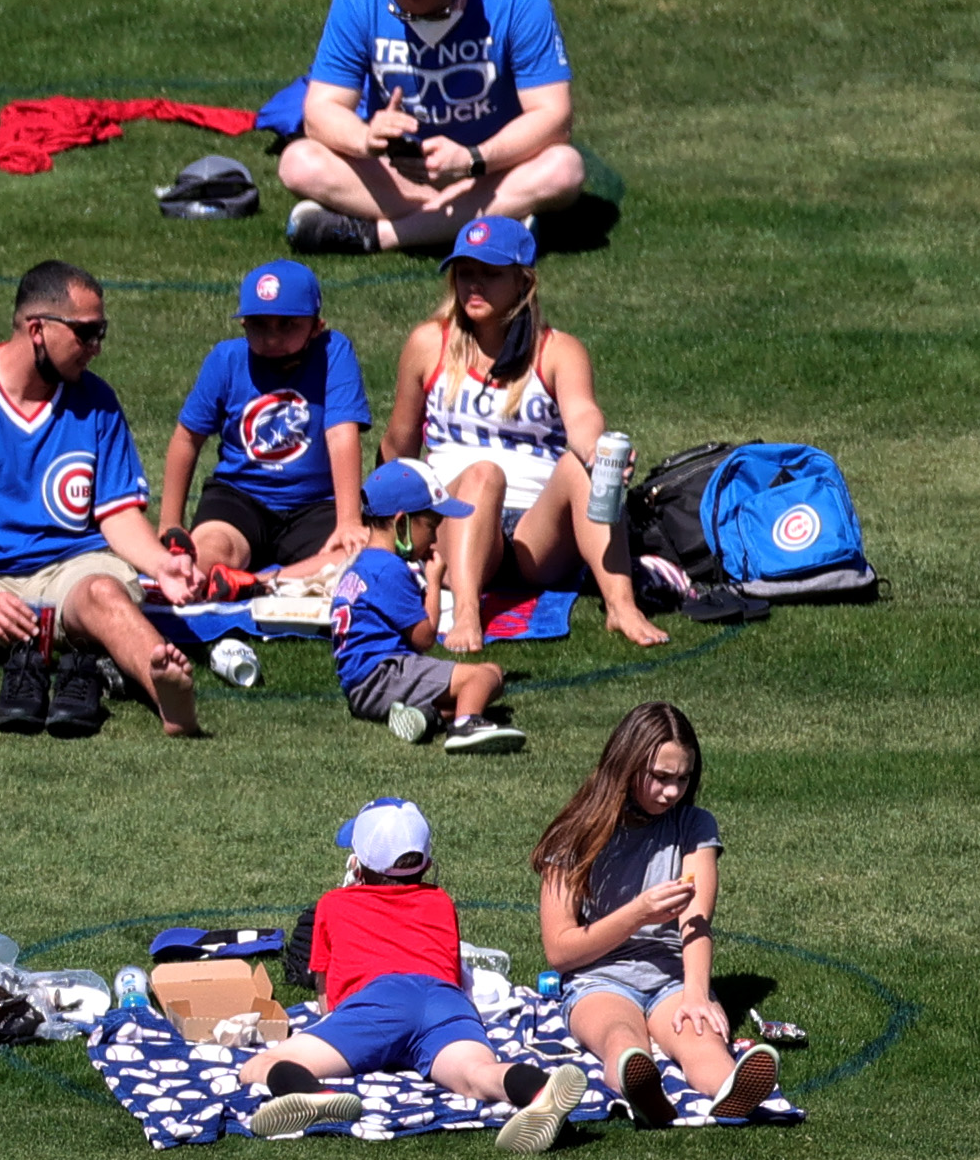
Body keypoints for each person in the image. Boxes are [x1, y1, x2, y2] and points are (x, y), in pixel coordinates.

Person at [0, 261, 212, 741]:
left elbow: (117, 517)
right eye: (86, 334)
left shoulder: (98, 401)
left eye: (101, 333)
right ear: (37, 330)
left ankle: (168, 695)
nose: (95, 348)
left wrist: (161, 564)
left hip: (71, 578)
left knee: (105, 594)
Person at [383, 215, 667, 647]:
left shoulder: (557, 350)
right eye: (465, 274)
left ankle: (621, 605)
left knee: (582, 467)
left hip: (537, 535)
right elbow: (397, 443)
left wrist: (597, 451)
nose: (474, 286)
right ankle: (466, 614)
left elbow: (584, 416)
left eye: (490, 274)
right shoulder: (429, 343)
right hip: (456, 518)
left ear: (523, 282)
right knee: (484, 474)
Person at [241, 796, 557, 1154]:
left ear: (356, 864)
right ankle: (541, 1089)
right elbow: (450, 970)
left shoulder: (333, 903)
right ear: (425, 864)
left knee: (264, 1063)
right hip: (443, 1000)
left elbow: (328, 1000)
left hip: (380, 1001)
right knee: (477, 1076)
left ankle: (315, 1095)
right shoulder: (441, 901)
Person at [282, 0, 585, 255]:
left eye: (438, 13)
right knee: (298, 162)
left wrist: (473, 158)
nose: (421, 25)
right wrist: (365, 138)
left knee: (564, 169)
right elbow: (320, 111)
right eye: (404, 14)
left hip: (493, 168)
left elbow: (554, 116)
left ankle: (380, 236)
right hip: (399, 173)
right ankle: (489, 219)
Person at [537, 704, 779, 1125]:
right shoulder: (575, 834)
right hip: (599, 979)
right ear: (626, 766)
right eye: (661, 778)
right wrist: (637, 914)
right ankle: (638, 1086)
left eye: (683, 779)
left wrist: (697, 995)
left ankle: (731, 1090)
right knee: (622, 1040)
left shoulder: (694, 826)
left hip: (672, 976)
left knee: (701, 1042)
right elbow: (560, 951)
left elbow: (696, 919)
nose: (672, 792)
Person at [159, 258, 374, 591]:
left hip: (316, 504)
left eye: (287, 324)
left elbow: (341, 435)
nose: (272, 337)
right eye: (260, 324)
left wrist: (348, 520)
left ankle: (256, 583)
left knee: (361, 554)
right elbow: (187, 439)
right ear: (243, 323)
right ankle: (220, 577)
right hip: (240, 496)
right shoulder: (226, 359)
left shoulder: (334, 352)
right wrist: (170, 524)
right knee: (210, 551)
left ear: (317, 326)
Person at [335, 464, 528, 755]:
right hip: (382, 674)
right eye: (432, 526)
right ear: (403, 523)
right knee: (480, 678)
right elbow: (424, 639)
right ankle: (466, 725)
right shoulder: (387, 568)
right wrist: (434, 583)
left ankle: (427, 717)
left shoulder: (362, 566)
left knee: (492, 676)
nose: (435, 540)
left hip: (361, 685)